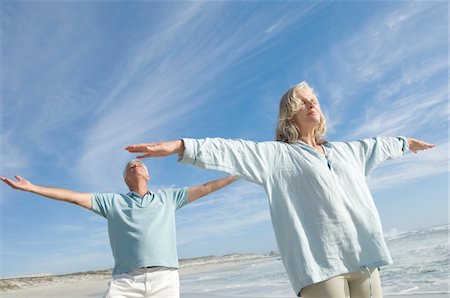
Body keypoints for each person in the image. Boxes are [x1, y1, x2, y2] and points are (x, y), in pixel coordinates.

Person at [125, 81, 435, 298]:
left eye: (313, 98)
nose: (311, 102)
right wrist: (181, 146)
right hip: (319, 266)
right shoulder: (276, 156)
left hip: (364, 258)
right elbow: (230, 150)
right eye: (302, 100)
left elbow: (381, 145)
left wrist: (407, 143)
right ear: (289, 113)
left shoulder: (348, 151)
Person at [1, 159, 237, 298]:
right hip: (125, 281)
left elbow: (206, 187)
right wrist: (33, 188)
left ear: (148, 174)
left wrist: (239, 174)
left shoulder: (169, 198)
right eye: (129, 166)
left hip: (165, 278)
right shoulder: (112, 202)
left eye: (140, 163)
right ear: (126, 179)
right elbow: (73, 196)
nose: (135, 164)